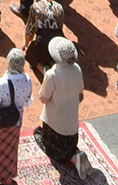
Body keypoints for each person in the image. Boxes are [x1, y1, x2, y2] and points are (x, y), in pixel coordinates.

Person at [0, 47, 33, 185]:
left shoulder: (3, 83)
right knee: (9, 152)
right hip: (16, 121)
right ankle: (6, 177)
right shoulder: (27, 80)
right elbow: (27, 102)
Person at [35, 35, 83, 166]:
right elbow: (80, 93)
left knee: (44, 140)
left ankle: (73, 158)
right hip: (72, 129)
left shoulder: (52, 75)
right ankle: (75, 155)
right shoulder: (78, 70)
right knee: (66, 146)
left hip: (55, 128)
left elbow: (44, 99)